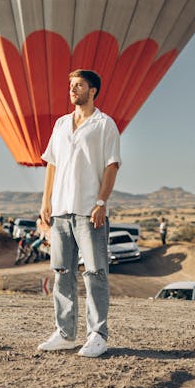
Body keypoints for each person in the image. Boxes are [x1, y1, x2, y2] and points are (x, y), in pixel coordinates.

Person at [38, 69, 120, 358]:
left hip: (88, 210)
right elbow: (52, 165)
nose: (73, 90)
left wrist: (101, 201)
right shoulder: (61, 124)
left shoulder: (104, 124)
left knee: (95, 272)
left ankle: (97, 335)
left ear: (93, 90)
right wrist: (45, 202)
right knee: (62, 273)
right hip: (60, 210)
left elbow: (112, 165)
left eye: (79, 85)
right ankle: (65, 333)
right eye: (71, 85)